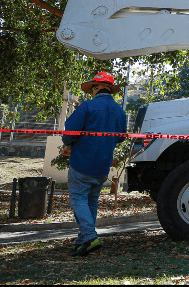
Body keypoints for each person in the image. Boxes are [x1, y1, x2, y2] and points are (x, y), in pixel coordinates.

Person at [62, 72, 127, 257]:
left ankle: (90, 238)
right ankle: (82, 241)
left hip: (82, 163)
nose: (91, 92)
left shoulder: (87, 106)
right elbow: (121, 137)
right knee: (91, 201)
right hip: (102, 166)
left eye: (92, 88)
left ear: (96, 87)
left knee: (77, 198)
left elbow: (69, 135)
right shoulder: (119, 111)